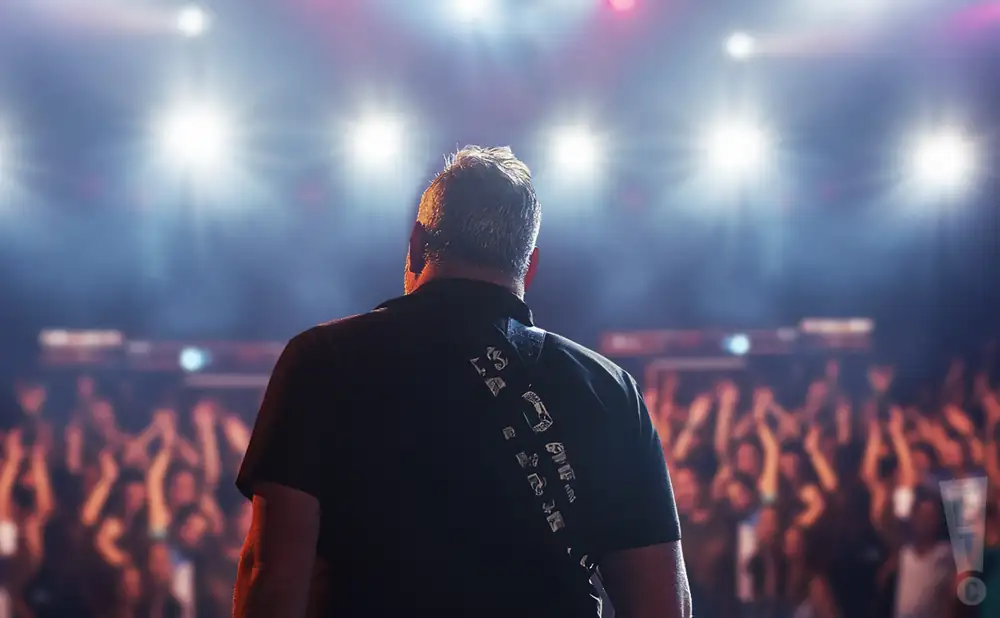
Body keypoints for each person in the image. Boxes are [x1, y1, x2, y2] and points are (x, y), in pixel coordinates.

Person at [233, 146, 691, 618]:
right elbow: (663, 604)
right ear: (529, 268)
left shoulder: (322, 361)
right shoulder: (611, 391)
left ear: (415, 244)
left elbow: (271, 576)